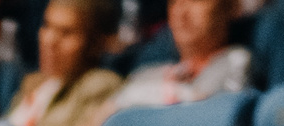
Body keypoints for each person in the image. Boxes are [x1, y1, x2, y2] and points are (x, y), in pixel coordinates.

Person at [8, 0, 125, 126]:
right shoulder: (34, 83)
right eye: (46, 25)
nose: (50, 40)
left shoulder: (99, 84)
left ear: (95, 44)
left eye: (66, 33)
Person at [108, 0, 253, 113]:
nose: (181, 13)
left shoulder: (236, 61)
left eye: (196, 1)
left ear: (230, 7)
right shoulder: (144, 75)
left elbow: (213, 119)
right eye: (174, 2)